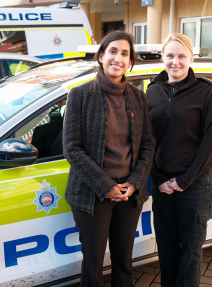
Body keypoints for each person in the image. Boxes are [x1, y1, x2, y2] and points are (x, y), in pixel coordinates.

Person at [63, 31, 155, 287]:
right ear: (101, 56)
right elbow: (72, 148)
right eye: (113, 51)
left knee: (124, 260)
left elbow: (147, 144)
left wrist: (135, 182)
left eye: (125, 54)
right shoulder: (80, 95)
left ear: (130, 61)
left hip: (129, 193)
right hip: (92, 194)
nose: (118, 58)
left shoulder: (138, 97)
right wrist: (106, 187)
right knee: (92, 263)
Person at [146, 33, 212, 287]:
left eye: (181, 56)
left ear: (191, 57)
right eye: (170, 56)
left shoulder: (206, 90)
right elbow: (147, 140)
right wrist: (158, 179)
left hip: (195, 185)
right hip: (162, 185)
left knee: (190, 251)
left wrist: (183, 180)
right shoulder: (153, 90)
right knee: (167, 250)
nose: (175, 62)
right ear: (162, 58)